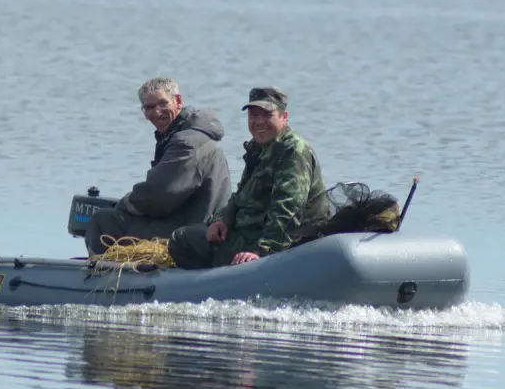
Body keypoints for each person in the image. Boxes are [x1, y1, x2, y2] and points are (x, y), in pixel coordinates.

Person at [167, 86, 331, 269]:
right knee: (187, 235)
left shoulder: (293, 151)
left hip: (278, 242)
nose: (259, 122)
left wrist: (263, 251)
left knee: (183, 241)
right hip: (249, 232)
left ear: (284, 117)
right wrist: (222, 219)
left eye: (267, 115)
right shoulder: (259, 149)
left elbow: (287, 208)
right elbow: (240, 196)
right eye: (253, 116)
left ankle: (219, 277)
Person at [84, 77, 232, 256]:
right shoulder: (181, 134)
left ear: (178, 101)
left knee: (103, 220)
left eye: (162, 103)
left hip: (190, 230)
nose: (157, 112)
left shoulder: (188, 142)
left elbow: (159, 194)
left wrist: (123, 205)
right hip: (188, 221)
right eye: (149, 107)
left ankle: (101, 277)